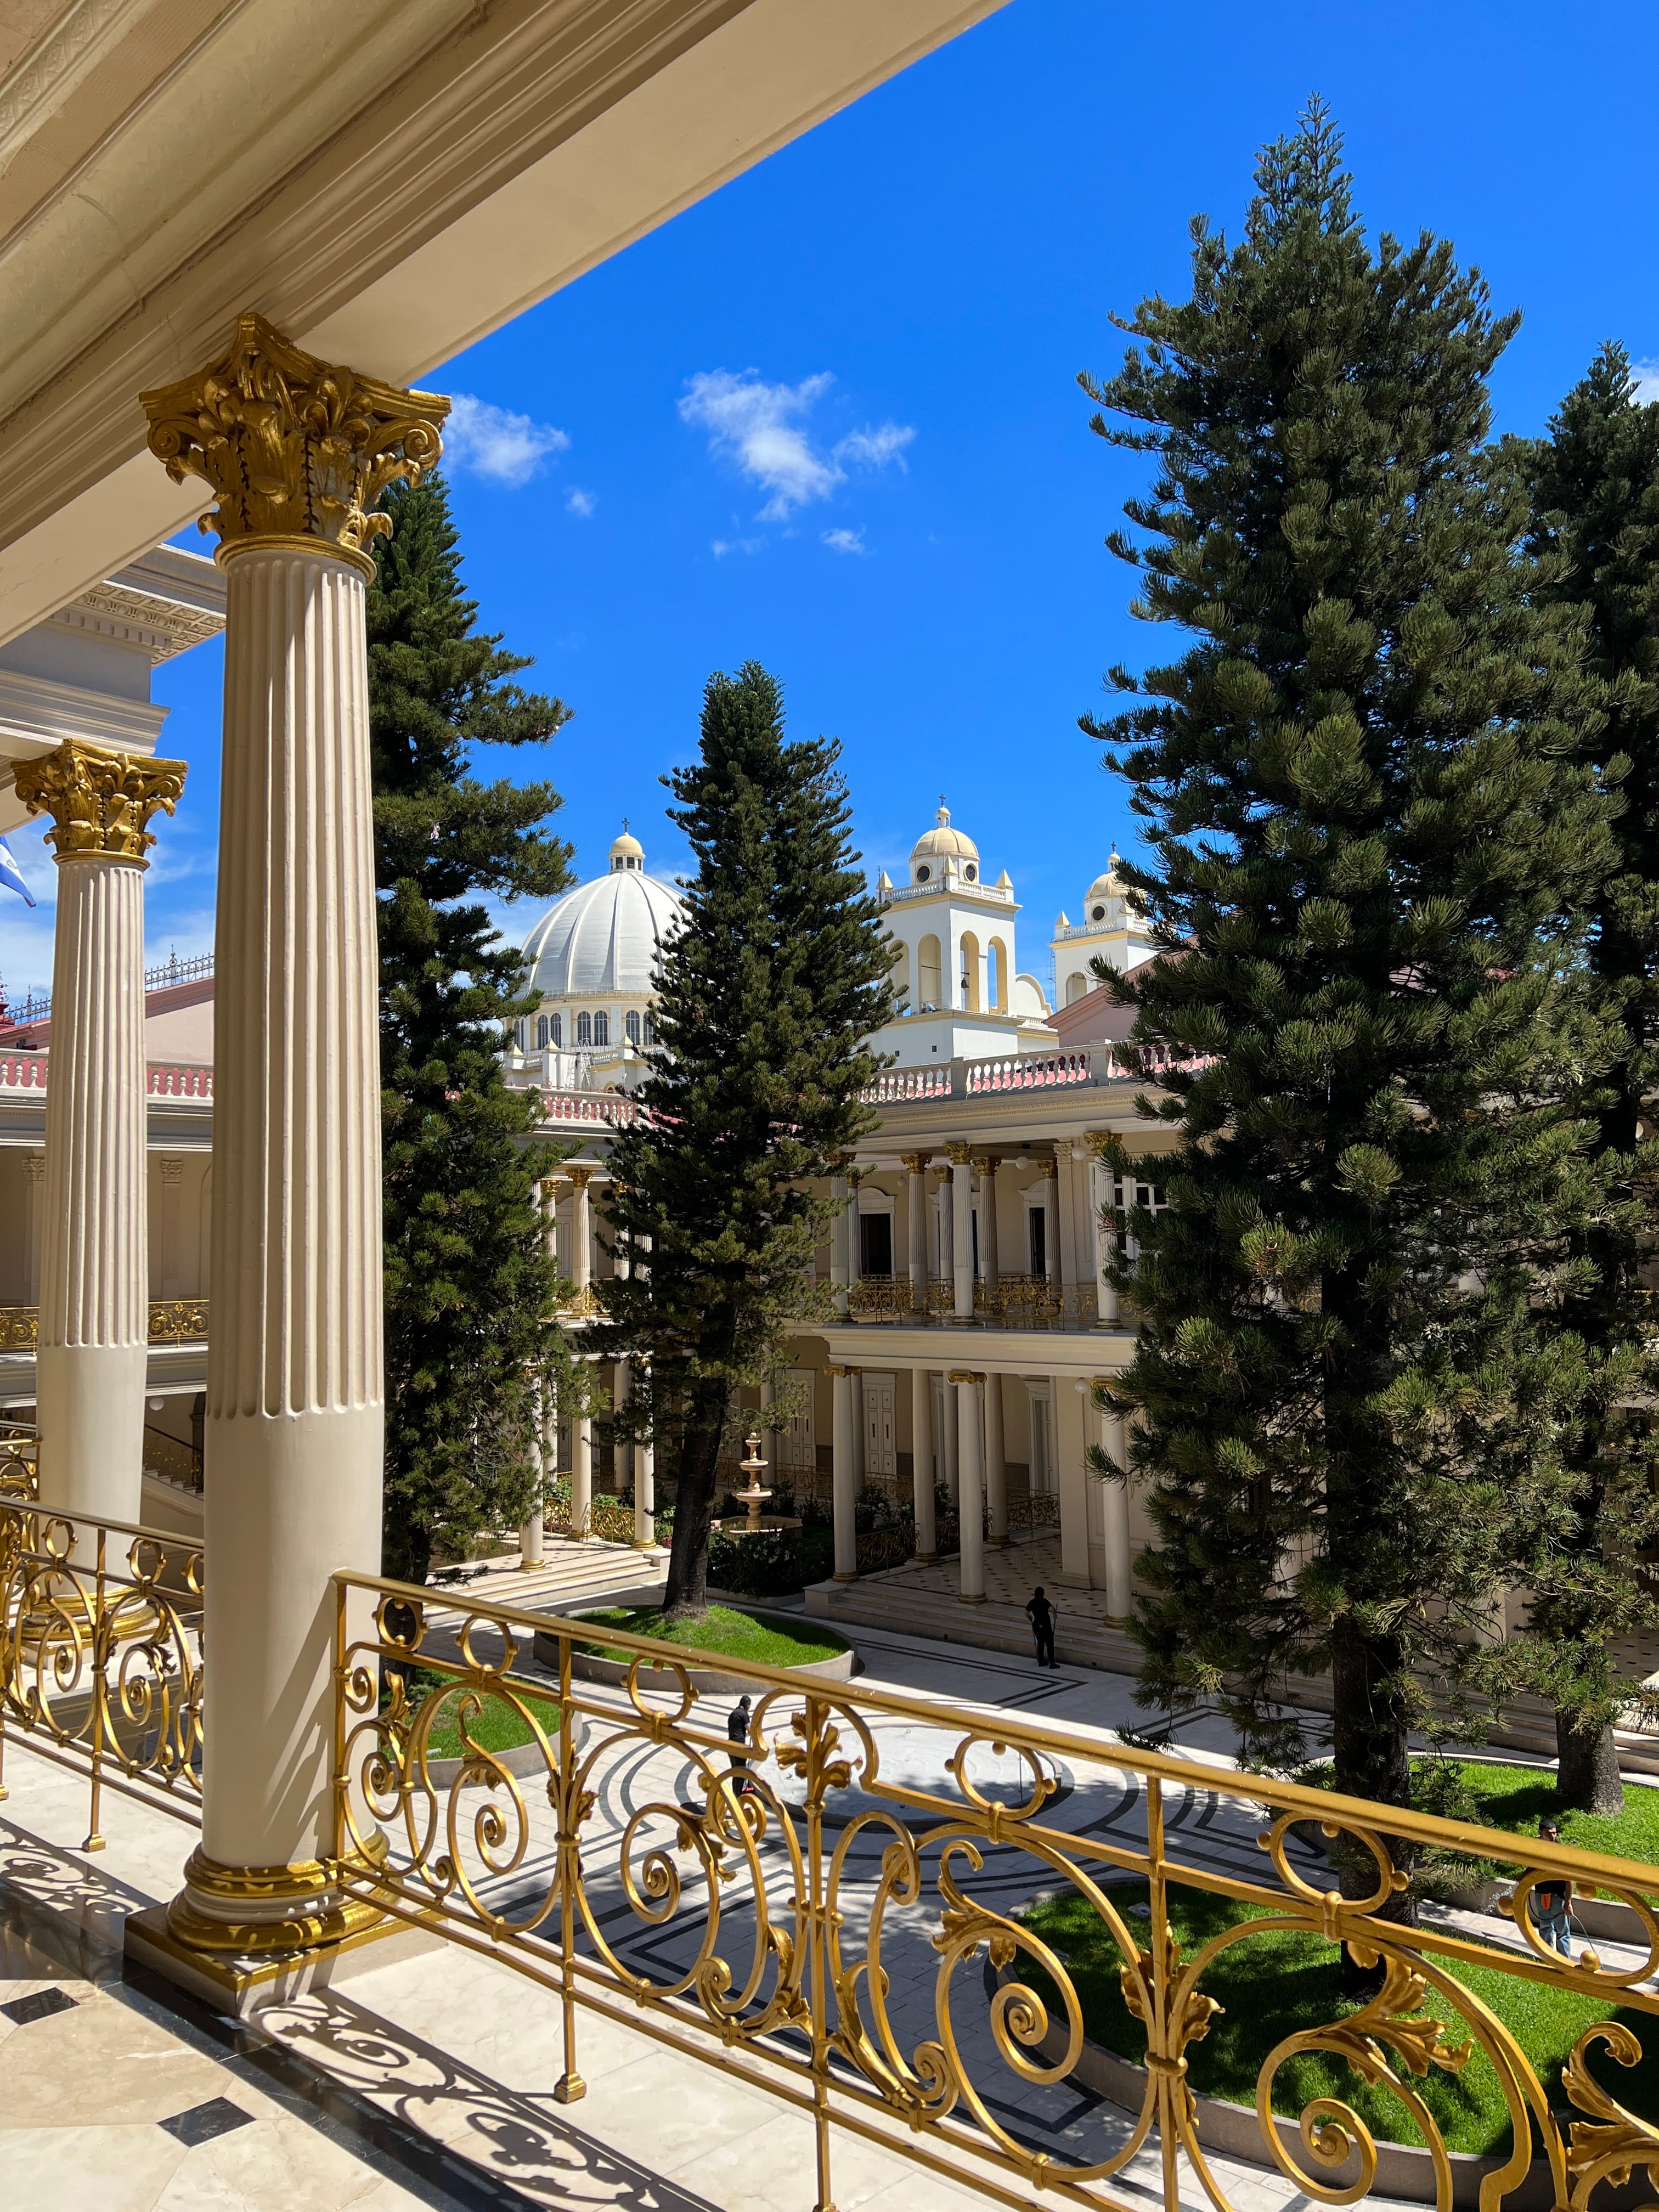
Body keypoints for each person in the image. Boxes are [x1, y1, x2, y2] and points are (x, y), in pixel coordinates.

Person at [1530, 1822, 1573, 1957]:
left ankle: (1564, 1961)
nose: (1553, 1836)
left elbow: (1569, 1879)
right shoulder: (1535, 1847)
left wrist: (1568, 1902)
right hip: (1541, 1894)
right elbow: (1531, 1866)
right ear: (1540, 1833)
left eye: (1554, 1833)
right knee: (1545, 1927)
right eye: (1549, 1833)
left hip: (1558, 1897)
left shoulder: (1560, 1851)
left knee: (1562, 1932)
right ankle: (1548, 1958)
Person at [727, 1694, 754, 1794]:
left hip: (730, 1745)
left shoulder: (733, 1714)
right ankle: (738, 1795)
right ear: (748, 1706)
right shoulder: (744, 1715)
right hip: (739, 1747)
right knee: (741, 1772)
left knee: (735, 1771)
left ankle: (735, 1793)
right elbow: (750, 1730)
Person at [1025, 1587, 1057, 1668]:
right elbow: (1052, 1609)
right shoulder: (1044, 1601)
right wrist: (1055, 1614)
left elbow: (1026, 1612)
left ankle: (1041, 1661)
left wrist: (1030, 1618)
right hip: (1046, 1625)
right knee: (1050, 1644)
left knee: (1040, 1642)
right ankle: (1052, 1663)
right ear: (1043, 1594)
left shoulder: (1032, 1602)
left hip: (1037, 1625)